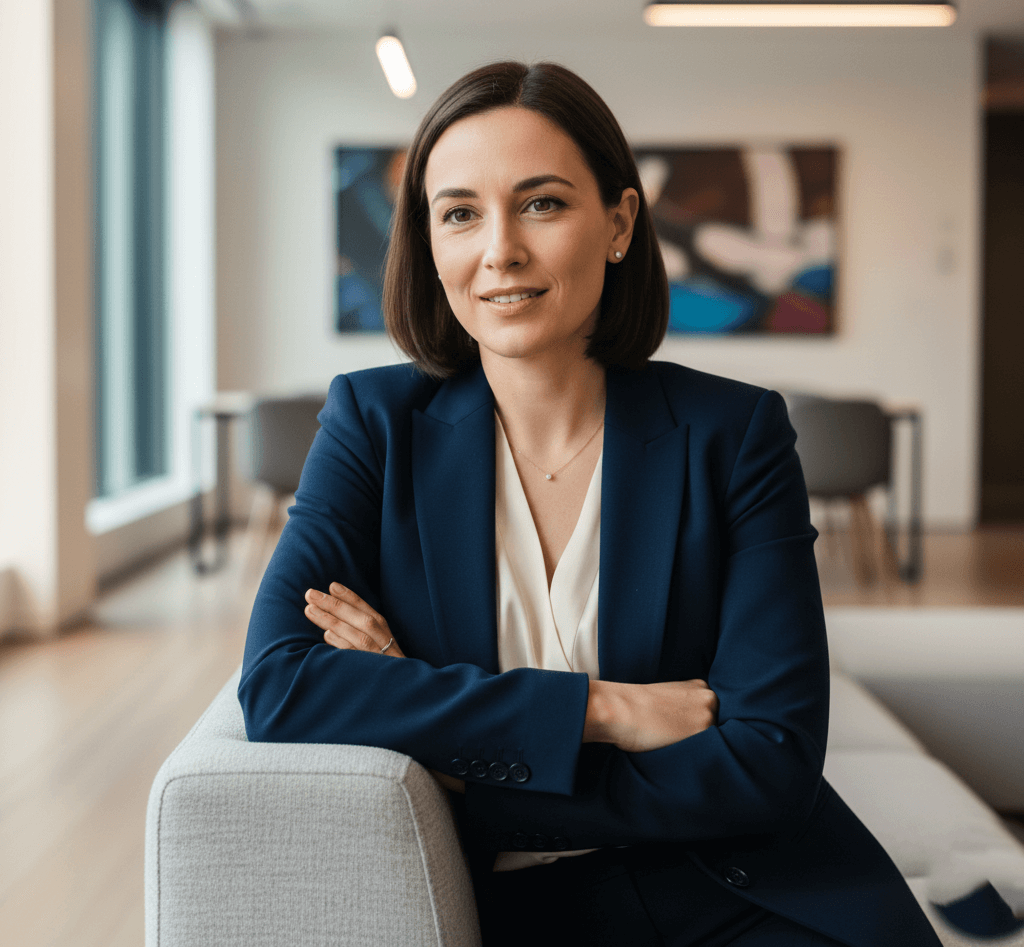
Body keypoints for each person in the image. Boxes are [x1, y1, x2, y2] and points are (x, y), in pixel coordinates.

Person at [239, 61, 941, 947]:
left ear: (617, 224)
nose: (500, 250)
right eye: (460, 212)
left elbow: (771, 764)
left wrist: (466, 763)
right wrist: (602, 712)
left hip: (746, 895)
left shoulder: (735, 433)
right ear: (429, 243)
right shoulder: (373, 426)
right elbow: (280, 686)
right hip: (509, 916)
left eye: (541, 204)